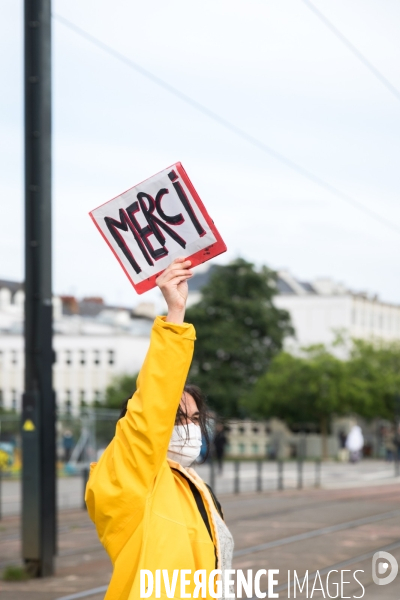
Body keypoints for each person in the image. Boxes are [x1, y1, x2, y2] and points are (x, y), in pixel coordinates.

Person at [85, 258, 234, 600]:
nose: (190, 429)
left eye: (195, 419)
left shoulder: (192, 485)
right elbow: (151, 407)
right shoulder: (127, 477)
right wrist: (175, 314)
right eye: (178, 418)